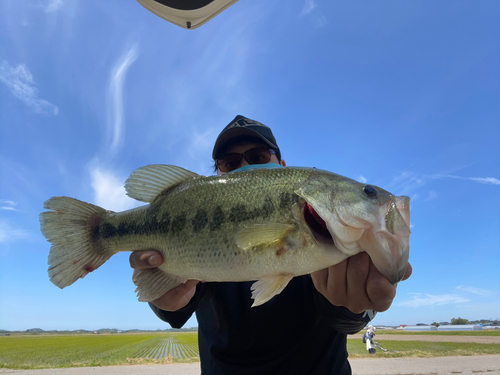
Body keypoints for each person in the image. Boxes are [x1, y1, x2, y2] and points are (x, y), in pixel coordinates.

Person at [129, 115, 412, 374]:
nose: (245, 166)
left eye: (258, 156)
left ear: (282, 167)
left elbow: (347, 319)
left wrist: (356, 305)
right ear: (217, 175)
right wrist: (162, 296)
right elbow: (175, 308)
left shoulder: (335, 238)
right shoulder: (201, 216)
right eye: (229, 163)